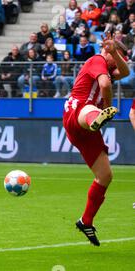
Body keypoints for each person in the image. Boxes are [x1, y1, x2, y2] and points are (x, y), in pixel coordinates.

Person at [62, 33, 130, 246]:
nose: (123, 61)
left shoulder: (110, 66)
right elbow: (105, 85)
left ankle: (86, 221)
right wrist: (108, 108)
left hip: (86, 130)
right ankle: (97, 117)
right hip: (78, 113)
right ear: (109, 52)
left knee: (105, 176)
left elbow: (126, 72)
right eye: (120, 56)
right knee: (90, 108)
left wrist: (115, 54)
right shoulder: (97, 61)